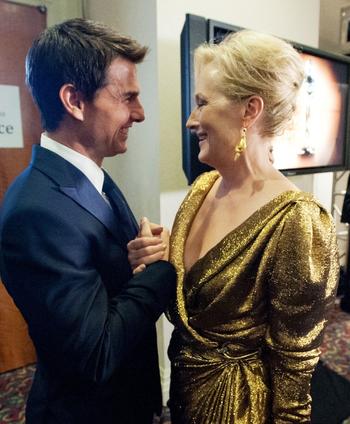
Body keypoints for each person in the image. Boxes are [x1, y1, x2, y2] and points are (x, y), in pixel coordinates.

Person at [128, 30, 339, 423]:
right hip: (184, 394)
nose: (191, 120)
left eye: (202, 103)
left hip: (239, 409)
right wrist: (164, 255)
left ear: (250, 110)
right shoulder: (202, 188)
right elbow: (199, 298)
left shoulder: (298, 220)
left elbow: (295, 366)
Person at [0, 18, 176, 424]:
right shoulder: (36, 212)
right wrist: (163, 271)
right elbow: (94, 353)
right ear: (74, 101)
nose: (140, 113)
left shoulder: (88, 176)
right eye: (127, 98)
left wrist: (136, 259)